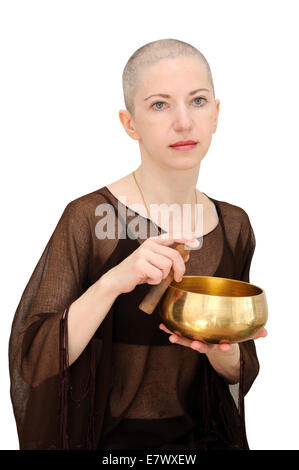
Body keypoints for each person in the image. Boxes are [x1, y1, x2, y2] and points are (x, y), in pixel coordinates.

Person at [8, 38, 267, 451]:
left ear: (216, 114)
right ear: (130, 123)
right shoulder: (89, 217)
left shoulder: (233, 225)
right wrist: (113, 281)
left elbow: (238, 371)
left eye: (198, 101)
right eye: (160, 105)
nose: (184, 122)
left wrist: (222, 352)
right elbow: (34, 361)